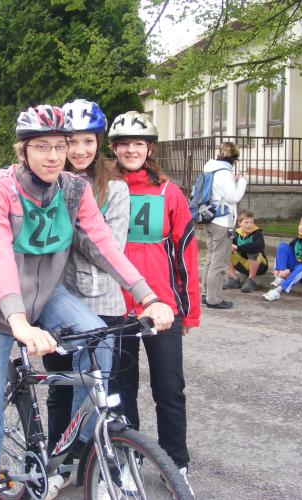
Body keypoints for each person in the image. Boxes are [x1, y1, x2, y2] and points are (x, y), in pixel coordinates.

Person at [0, 104, 173, 499]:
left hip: (46, 296)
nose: (55, 155)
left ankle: (71, 444)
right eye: (42, 146)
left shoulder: (74, 190)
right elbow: (0, 258)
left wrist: (148, 295)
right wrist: (19, 322)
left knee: (99, 340)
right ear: (22, 150)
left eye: (61, 146)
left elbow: (103, 244)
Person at [42, 99, 130, 498]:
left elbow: (108, 248)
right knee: (61, 387)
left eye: (88, 141)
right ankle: (56, 461)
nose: (79, 150)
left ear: (99, 143)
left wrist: (70, 226)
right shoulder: (46, 182)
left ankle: (99, 459)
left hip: (105, 301)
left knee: (102, 388)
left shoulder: (116, 188)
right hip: (57, 298)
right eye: (72, 141)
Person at [108, 111, 201, 484]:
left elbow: (186, 254)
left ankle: (175, 461)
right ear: (113, 149)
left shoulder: (169, 192)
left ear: (150, 148)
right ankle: (130, 461)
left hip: (162, 309)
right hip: (116, 307)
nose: (132, 149)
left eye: (139, 143)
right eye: (124, 144)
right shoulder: (104, 189)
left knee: (169, 389)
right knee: (121, 388)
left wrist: (188, 313)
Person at [201, 141, 247, 309]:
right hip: (222, 221)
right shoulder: (224, 173)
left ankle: (206, 293)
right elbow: (233, 197)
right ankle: (215, 299)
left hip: (209, 218)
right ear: (234, 159)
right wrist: (242, 182)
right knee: (219, 262)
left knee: (210, 259)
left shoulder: (210, 168)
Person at [264, 214, 302, 301]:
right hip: (297, 267)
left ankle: (277, 291)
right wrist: (278, 269)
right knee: (282, 246)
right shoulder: (298, 239)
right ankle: (279, 277)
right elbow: (285, 255)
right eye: (300, 224)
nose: (300, 227)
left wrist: (289, 271)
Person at [224, 209, 268, 293]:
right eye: (246, 222)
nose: (250, 225)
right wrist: (230, 245)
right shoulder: (237, 233)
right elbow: (228, 243)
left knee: (253, 250)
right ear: (239, 223)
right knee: (226, 250)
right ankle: (233, 279)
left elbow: (259, 245)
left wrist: (238, 247)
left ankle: (251, 280)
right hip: (243, 266)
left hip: (260, 266)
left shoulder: (257, 232)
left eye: (251, 222)